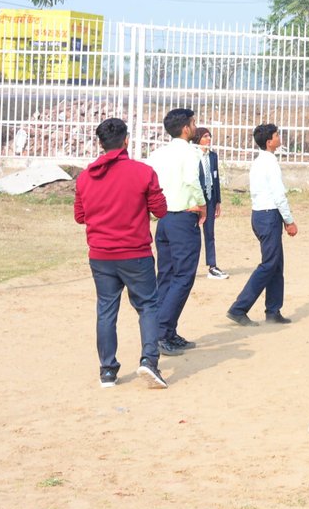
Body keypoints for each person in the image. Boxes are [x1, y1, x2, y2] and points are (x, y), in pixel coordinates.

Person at [74, 117, 169, 389]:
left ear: (100, 143)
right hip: (135, 253)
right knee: (148, 305)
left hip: (101, 255)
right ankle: (149, 361)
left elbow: (80, 216)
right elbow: (160, 210)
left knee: (106, 309)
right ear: (126, 140)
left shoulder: (85, 177)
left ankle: (107, 370)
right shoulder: (142, 172)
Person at [227, 122, 299, 326]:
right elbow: (278, 195)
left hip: (260, 214)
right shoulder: (269, 163)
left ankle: (273, 310)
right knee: (269, 264)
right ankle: (239, 308)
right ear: (269, 142)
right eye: (276, 135)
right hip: (269, 215)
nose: (279, 137)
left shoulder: (260, 161)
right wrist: (289, 220)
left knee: (276, 264)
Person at [148, 107, 207, 356]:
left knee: (167, 276)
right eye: (193, 123)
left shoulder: (157, 154)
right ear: (186, 128)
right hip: (183, 218)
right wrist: (202, 205)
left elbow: (150, 183)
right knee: (183, 277)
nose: (195, 127)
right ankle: (162, 332)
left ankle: (165, 331)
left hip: (164, 220)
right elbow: (192, 181)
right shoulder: (190, 152)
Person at [197, 127, 227, 280]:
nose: (208, 139)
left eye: (209, 136)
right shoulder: (193, 156)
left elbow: (216, 179)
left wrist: (217, 201)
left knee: (210, 232)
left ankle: (212, 265)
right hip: (196, 200)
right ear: (198, 139)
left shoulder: (213, 156)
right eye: (205, 136)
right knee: (192, 234)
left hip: (210, 198)